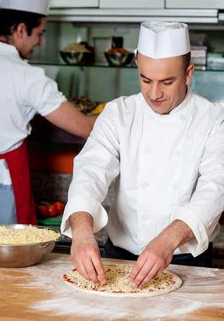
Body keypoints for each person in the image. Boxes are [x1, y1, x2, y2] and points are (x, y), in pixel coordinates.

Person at [61, 21, 224, 288]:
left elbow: (216, 188)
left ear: (188, 73)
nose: (154, 93)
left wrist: (168, 240)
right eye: (146, 80)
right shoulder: (118, 113)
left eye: (167, 82)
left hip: (186, 260)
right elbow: (91, 169)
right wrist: (81, 231)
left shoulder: (214, 119)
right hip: (119, 258)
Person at [0, 0, 96, 225]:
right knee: (11, 254)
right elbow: (84, 127)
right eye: (39, 33)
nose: (40, 41)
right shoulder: (28, 76)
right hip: (4, 181)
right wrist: (125, 111)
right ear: (20, 30)